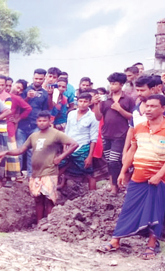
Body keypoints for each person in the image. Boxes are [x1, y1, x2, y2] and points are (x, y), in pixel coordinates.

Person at [98, 95, 165, 259]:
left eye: (153, 106)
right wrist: (123, 171)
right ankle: (115, 241)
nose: (148, 109)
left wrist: (159, 175)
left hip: (159, 178)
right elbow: (132, 150)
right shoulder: (139, 126)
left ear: (163, 108)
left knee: (156, 211)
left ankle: (151, 244)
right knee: (128, 208)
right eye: (147, 106)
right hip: (138, 175)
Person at [0, 111, 78, 224]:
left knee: (49, 199)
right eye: (39, 121)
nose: (41, 123)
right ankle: (40, 223)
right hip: (35, 173)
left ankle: (49, 224)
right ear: (36, 122)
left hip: (49, 171)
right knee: (38, 199)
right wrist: (7, 152)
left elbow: (74, 144)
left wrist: (61, 157)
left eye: (44, 121)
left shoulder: (56, 134)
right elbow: (21, 150)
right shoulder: (34, 136)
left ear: (50, 121)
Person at [93, 72, 136, 195]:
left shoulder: (127, 99)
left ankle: (115, 186)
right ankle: (113, 183)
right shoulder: (105, 99)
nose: (111, 86)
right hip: (106, 134)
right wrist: (96, 104)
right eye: (110, 83)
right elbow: (98, 117)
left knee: (113, 161)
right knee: (110, 161)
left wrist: (120, 109)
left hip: (120, 135)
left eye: (114, 83)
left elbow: (132, 117)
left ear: (121, 85)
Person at [59, 92, 101, 191]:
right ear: (77, 102)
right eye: (80, 101)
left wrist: (90, 156)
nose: (82, 104)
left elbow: (93, 137)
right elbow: (67, 131)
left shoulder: (93, 117)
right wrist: (65, 147)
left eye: (85, 102)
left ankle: (93, 197)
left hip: (83, 148)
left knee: (89, 173)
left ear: (90, 103)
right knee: (61, 166)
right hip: (70, 146)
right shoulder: (71, 114)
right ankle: (61, 186)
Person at [18, 68, 52, 177]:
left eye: (40, 79)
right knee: (19, 150)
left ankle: (30, 176)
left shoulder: (45, 94)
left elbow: (46, 110)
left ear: (44, 79)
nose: (37, 81)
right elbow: (19, 106)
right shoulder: (25, 90)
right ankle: (16, 175)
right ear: (33, 77)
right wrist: (27, 97)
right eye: (36, 78)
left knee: (32, 152)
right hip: (22, 125)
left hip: (36, 126)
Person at [5, 80, 32, 182]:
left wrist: (18, 118)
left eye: (21, 89)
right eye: (17, 87)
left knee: (11, 148)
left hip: (9, 125)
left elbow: (28, 108)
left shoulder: (16, 98)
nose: (18, 90)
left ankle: (12, 174)